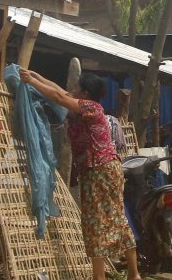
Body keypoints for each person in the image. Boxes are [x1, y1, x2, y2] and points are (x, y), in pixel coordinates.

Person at [19, 68, 140, 280]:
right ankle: (133, 274)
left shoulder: (90, 108)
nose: (72, 90)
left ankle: (100, 277)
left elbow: (58, 96)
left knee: (95, 222)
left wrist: (30, 80)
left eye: (77, 87)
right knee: (115, 217)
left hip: (99, 170)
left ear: (84, 94)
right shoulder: (82, 105)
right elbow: (60, 92)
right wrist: (37, 76)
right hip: (105, 169)